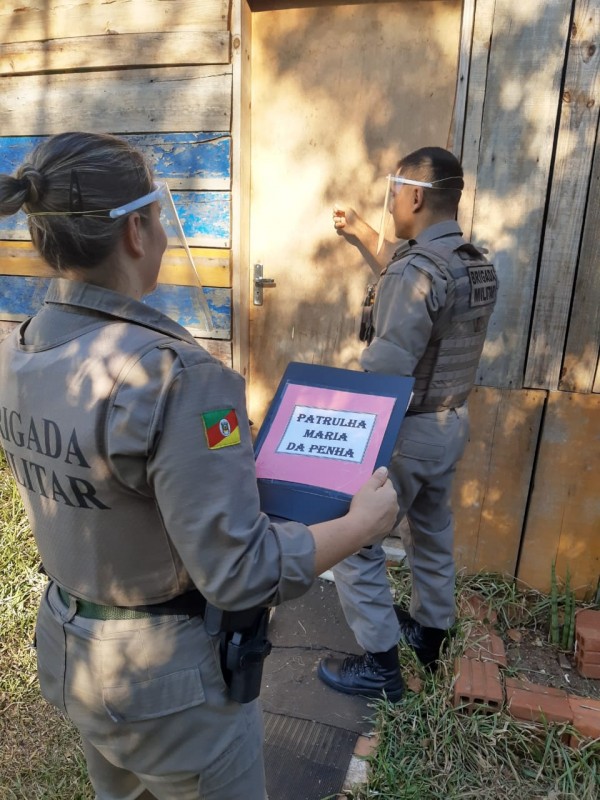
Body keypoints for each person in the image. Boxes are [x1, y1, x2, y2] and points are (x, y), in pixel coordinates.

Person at [0, 131, 399, 800]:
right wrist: (363, 524)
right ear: (135, 230)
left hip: (70, 648)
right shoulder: (178, 376)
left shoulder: (21, 349)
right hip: (169, 683)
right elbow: (241, 573)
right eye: (160, 214)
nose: (163, 231)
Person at [317, 146, 498, 699]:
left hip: (403, 430)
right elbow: (405, 265)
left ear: (415, 195)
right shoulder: (474, 262)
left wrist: (336, 435)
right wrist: (364, 232)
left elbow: (385, 370)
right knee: (431, 531)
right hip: (449, 424)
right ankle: (431, 632)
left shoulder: (415, 271)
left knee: (354, 542)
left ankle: (381, 666)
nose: (391, 201)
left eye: (394, 191)